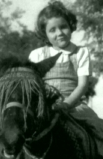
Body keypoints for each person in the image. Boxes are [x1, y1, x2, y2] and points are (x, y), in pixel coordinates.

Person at [29, 1, 103, 158]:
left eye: (63, 27)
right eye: (52, 30)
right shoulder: (38, 55)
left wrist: (65, 104)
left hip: (74, 105)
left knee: (98, 128)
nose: (59, 33)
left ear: (71, 26)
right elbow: (33, 85)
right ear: (45, 34)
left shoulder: (80, 52)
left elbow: (82, 85)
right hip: (46, 107)